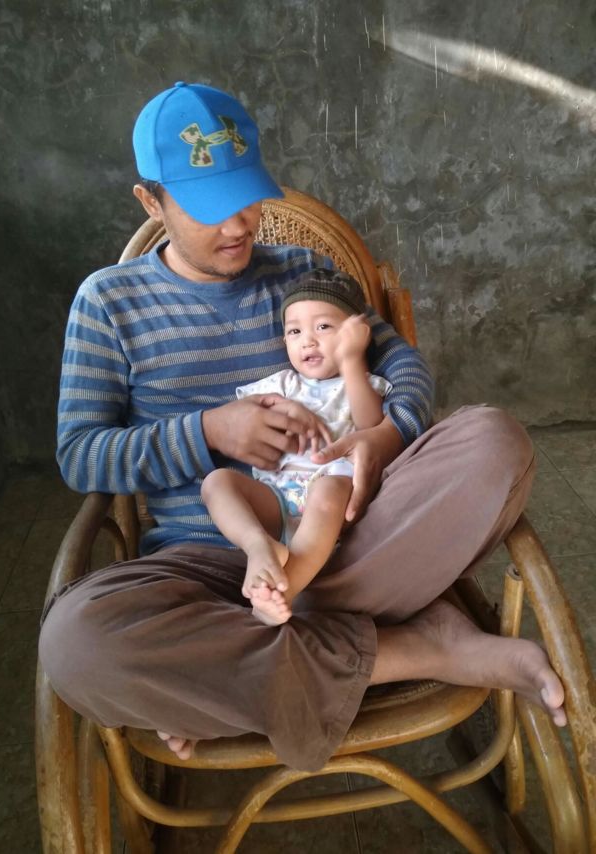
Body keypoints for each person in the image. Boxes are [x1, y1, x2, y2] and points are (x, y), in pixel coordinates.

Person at [39, 81, 565, 773]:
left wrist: (386, 436)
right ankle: (417, 646)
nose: (239, 225)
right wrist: (208, 432)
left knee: (496, 442)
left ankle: (221, 677)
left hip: (347, 549)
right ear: (151, 201)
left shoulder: (304, 273)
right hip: (202, 574)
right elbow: (81, 455)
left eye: (247, 198)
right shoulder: (109, 302)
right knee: (75, 645)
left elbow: (399, 365)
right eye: (208, 208)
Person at [202, 268, 392, 626]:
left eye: (323, 327)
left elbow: (371, 424)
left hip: (330, 506)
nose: (308, 341)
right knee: (217, 483)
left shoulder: (361, 383)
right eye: (295, 331)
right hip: (275, 498)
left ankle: (284, 590)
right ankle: (259, 546)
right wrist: (281, 408)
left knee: (330, 488)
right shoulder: (281, 385)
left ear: (355, 333)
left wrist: (352, 361)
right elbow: (246, 417)